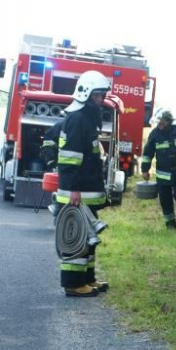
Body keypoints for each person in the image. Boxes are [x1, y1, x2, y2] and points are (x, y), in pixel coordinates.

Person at [57, 71, 112, 297]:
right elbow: (69, 158)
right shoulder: (78, 118)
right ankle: (73, 284)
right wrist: (73, 189)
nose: (101, 100)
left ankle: (87, 279)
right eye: (97, 96)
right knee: (76, 240)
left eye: (102, 96)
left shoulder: (86, 117)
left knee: (88, 240)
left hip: (86, 191)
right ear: (85, 94)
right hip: (77, 193)